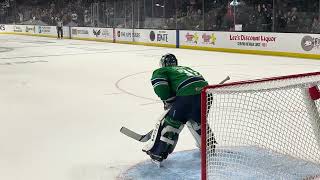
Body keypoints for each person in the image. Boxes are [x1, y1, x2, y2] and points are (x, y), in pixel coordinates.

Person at [142, 53, 209, 162]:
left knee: (172, 123)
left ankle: (158, 153)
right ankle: (208, 146)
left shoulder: (161, 71)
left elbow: (160, 88)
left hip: (188, 96)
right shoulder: (185, 69)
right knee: (197, 121)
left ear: (163, 64)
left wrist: (168, 100)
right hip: (206, 95)